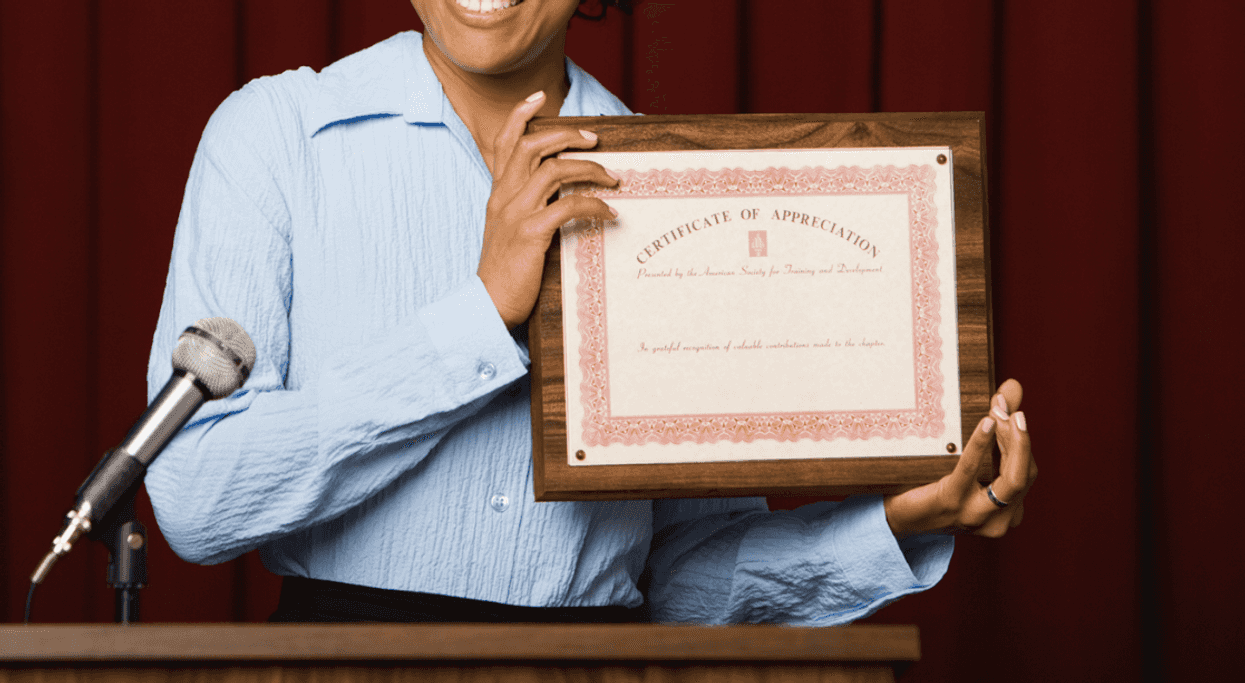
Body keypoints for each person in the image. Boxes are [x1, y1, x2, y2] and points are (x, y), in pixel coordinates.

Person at [144, 0, 1037, 623]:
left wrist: (896, 520)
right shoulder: (276, 135)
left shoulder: (681, 199)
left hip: (596, 670)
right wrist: (483, 314)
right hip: (335, 667)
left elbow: (679, 581)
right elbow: (194, 498)